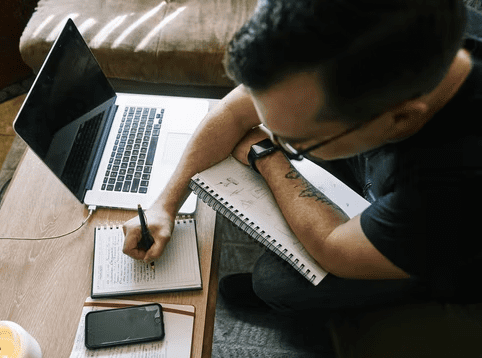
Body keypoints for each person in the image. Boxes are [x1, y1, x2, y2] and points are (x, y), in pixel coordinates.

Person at [122, 0, 482, 315]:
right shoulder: (386, 32)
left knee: (274, 284)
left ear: (400, 118)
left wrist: (267, 154)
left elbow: (334, 248)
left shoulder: (451, 186)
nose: (269, 133)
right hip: (391, 165)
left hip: (448, 243)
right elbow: (235, 112)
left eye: (296, 142)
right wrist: (165, 205)